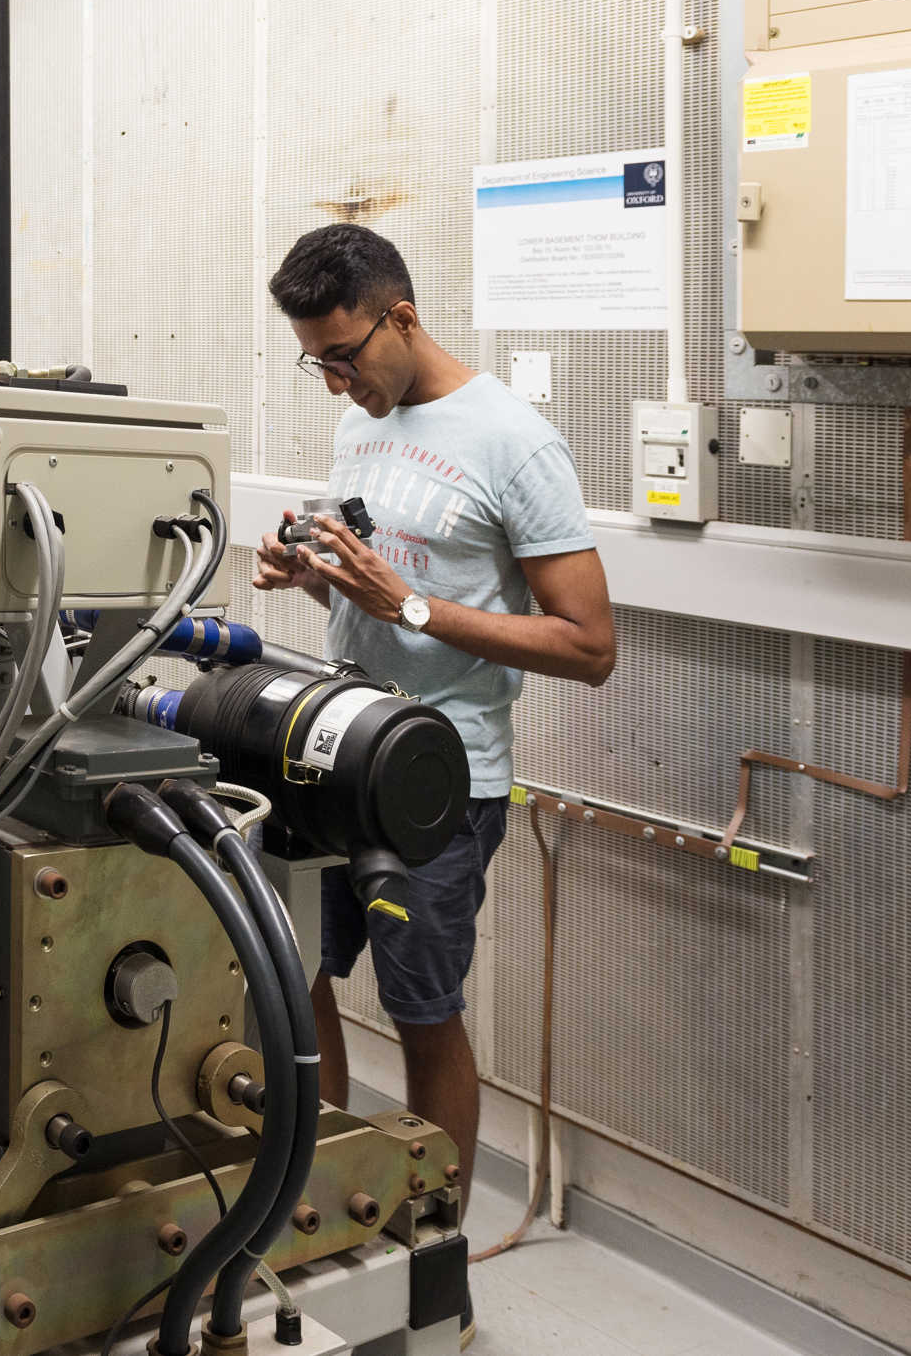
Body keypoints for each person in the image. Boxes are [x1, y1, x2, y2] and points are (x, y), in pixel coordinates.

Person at [254, 223, 616, 1295]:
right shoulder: (362, 424)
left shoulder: (515, 441)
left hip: (437, 782)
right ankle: (311, 1214)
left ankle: (431, 1260)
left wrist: (408, 604)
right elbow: (381, 587)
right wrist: (314, 575)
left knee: (423, 1009)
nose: (337, 383)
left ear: (401, 318)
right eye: (317, 364)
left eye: (345, 356)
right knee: (296, 982)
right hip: (333, 751)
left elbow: (589, 646)